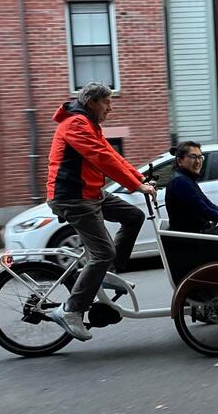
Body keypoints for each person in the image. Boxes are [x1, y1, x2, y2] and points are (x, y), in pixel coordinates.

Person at [45, 82, 155, 341]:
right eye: (107, 102)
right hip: (72, 197)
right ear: (92, 102)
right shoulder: (75, 124)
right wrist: (135, 186)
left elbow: (110, 154)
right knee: (103, 251)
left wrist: (139, 178)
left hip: (90, 193)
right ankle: (71, 310)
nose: (110, 107)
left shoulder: (89, 124)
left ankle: (109, 274)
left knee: (133, 216)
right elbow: (100, 158)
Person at [164, 141, 218, 238]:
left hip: (199, 235)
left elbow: (210, 206)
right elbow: (207, 212)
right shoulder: (180, 182)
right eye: (193, 157)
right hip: (194, 240)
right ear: (180, 161)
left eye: (200, 157)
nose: (198, 161)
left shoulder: (186, 179)